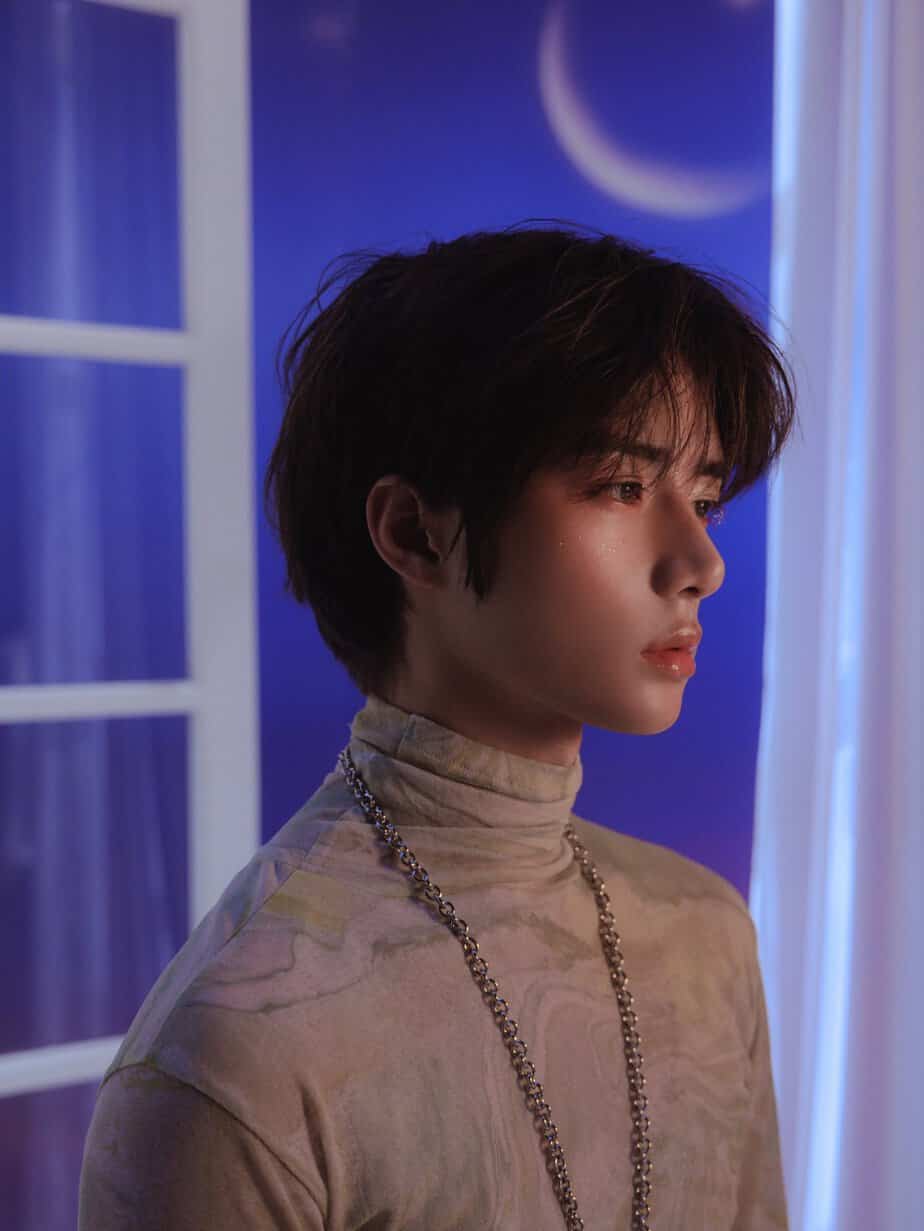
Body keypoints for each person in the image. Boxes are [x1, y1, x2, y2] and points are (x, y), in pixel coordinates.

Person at [78, 220, 797, 1229]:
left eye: (707, 498)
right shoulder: (241, 1052)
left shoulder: (705, 935)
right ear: (415, 533)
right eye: (624, 487)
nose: (701, 563)